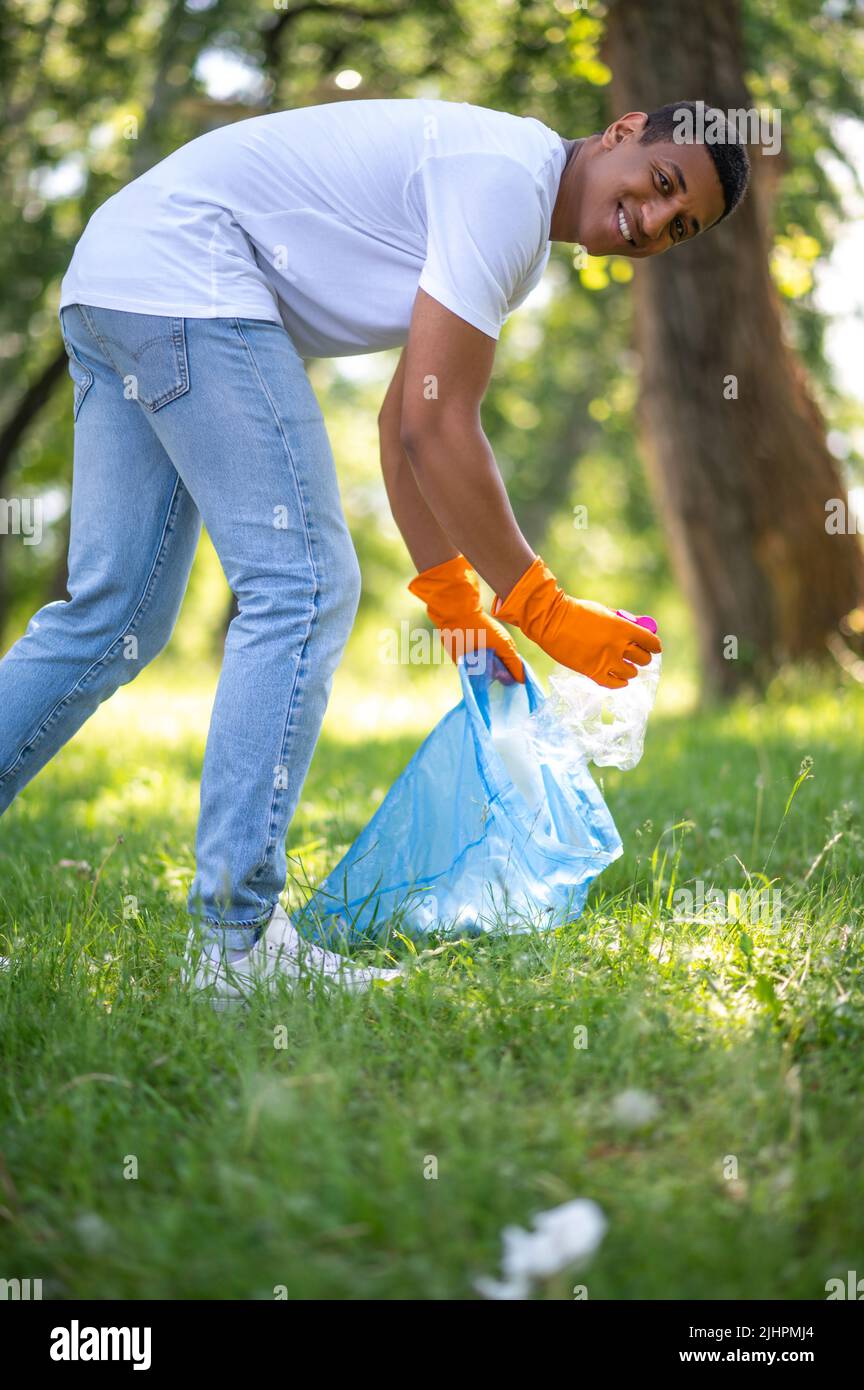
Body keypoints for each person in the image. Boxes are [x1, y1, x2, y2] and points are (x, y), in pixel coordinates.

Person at [0, 97, 750, 1003]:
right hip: (184, 273)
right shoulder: (511, 182)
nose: (657, 222)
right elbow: (440, 426)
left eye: (681, 228)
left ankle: (233, 940)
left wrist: (458, 605)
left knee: (110, 615)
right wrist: (540, 606)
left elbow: (404, 422)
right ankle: (235, 946)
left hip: (117, 277)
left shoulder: (511, 214)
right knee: (302, 585)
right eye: (665, 185)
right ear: (625, 130)